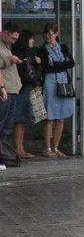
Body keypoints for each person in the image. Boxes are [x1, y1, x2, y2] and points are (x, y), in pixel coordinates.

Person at [37, 22, 74, 158]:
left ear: (56, 34)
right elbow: (46, 67)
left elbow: (71, 63)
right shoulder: (42, 50)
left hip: (63, 81)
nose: (48, 36)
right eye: (45, 34)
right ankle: (47, 148)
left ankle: (56, 147)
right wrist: (62, 64)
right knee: (50, 117)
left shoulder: (63, 47)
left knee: (61, 117)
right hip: (50, 82)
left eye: (50, 34)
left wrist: (57, 64)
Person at [11, 30, 40, 159]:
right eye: (31, 39)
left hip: (26, 87)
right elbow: (24, 72)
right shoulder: (22, 53)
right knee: (20, 120)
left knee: (22, 120)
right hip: (22, 89)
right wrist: (33, 81)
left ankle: (20, 148)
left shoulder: (27, 54)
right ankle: (18, 149)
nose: (33, 41)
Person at [0, 22, 22, 163]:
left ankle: (5, 154)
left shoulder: (7, 46)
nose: (14, 41)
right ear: (5, 33)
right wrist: (10, 60)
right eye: (13, 38)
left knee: (8, 125)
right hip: (5, 89)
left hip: (13, 89)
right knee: (2, 124)